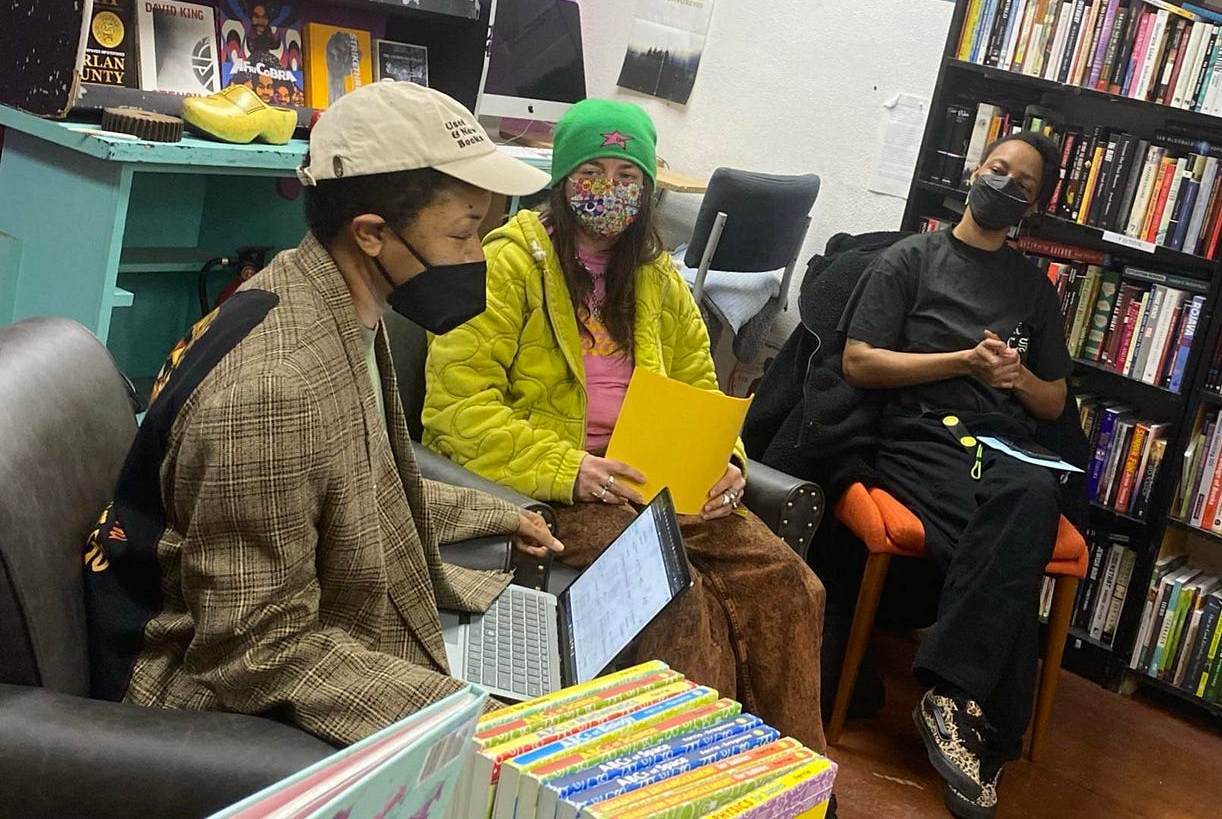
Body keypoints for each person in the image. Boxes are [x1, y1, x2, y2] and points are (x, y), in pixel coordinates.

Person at [83, 81, 563, 747]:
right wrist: (481, 720)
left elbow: (353, 484)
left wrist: (500, 514)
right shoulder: (274, 388)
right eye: (464, 233)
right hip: (196, 707)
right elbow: (254, 654)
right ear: (371, 233)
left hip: (283, 640)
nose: (477, 256)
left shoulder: (330, 298)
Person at [421, 98, 828, 752]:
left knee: (793, 587)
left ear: (648, 190)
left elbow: (703, 386)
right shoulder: (509, 265)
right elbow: (456, 410)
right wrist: (571, 468)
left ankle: (792, 791)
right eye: (594, 169)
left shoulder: (657, 279)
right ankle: (681, 788)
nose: (610, 188)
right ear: (562, 179)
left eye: (628, 175)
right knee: (681, 601)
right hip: (574, 492)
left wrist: (729, 464)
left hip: (665, 485)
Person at [839, 132, 1073, 818]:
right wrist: (961, 362)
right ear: (975, 170)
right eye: (998, 169)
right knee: (1013, 529)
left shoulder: (1034, 289)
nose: (1005, 184)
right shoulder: (911, 259)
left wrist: (1015, 375)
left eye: (1022, 183)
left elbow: (1054, 399)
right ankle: (982, 714)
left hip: (1006, 441)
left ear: (1033, 205)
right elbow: (858, 361)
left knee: (1033, 491)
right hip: (921, 432)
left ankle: (949, 693)